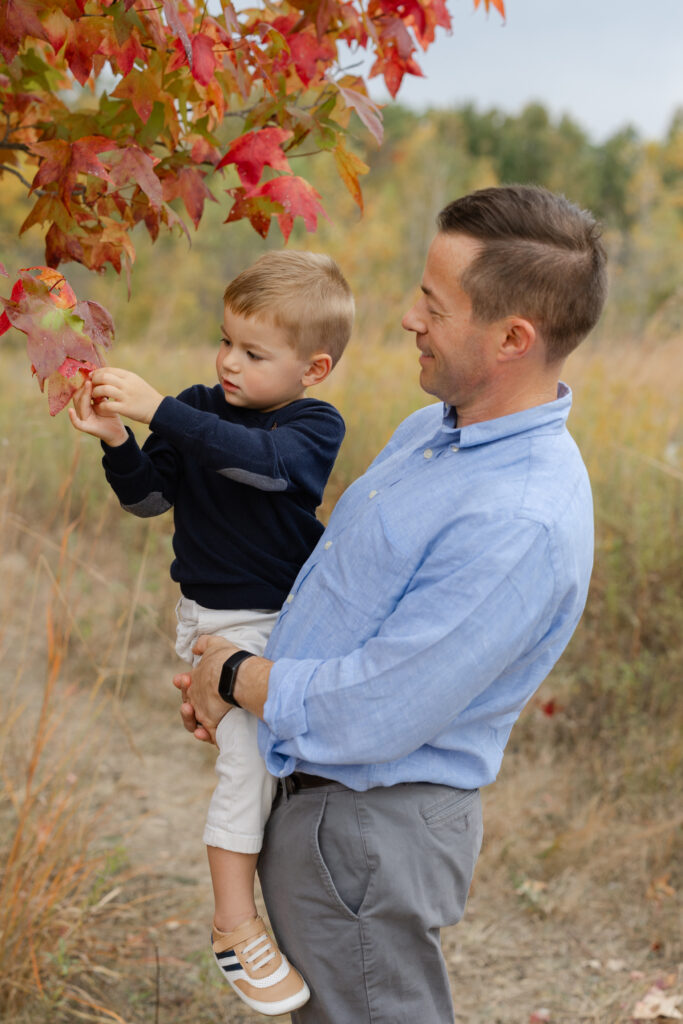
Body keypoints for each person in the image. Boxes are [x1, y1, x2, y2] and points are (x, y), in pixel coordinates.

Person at [175, 185, 609, 1024]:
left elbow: (376, 705)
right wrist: (232, 687)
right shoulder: (431, 432)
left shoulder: (517, 516)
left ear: (512, 338)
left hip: (366, 829)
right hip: (317, 801)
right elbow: (340, 600)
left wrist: (238, 676)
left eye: (433, 304)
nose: (408, 317)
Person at [68, 250, 354, 1017]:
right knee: (249, 757)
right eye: (224, 340)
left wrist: (160, 411)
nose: (227, 362)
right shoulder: (198, 406)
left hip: (294, 623)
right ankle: (234, 924)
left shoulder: (309, 425)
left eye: (253, 352)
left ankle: (307, 901)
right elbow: (149, 502)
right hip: (224, 624)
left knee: (304, 758)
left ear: (312, 368)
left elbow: (264, 468)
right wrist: (117, 443)